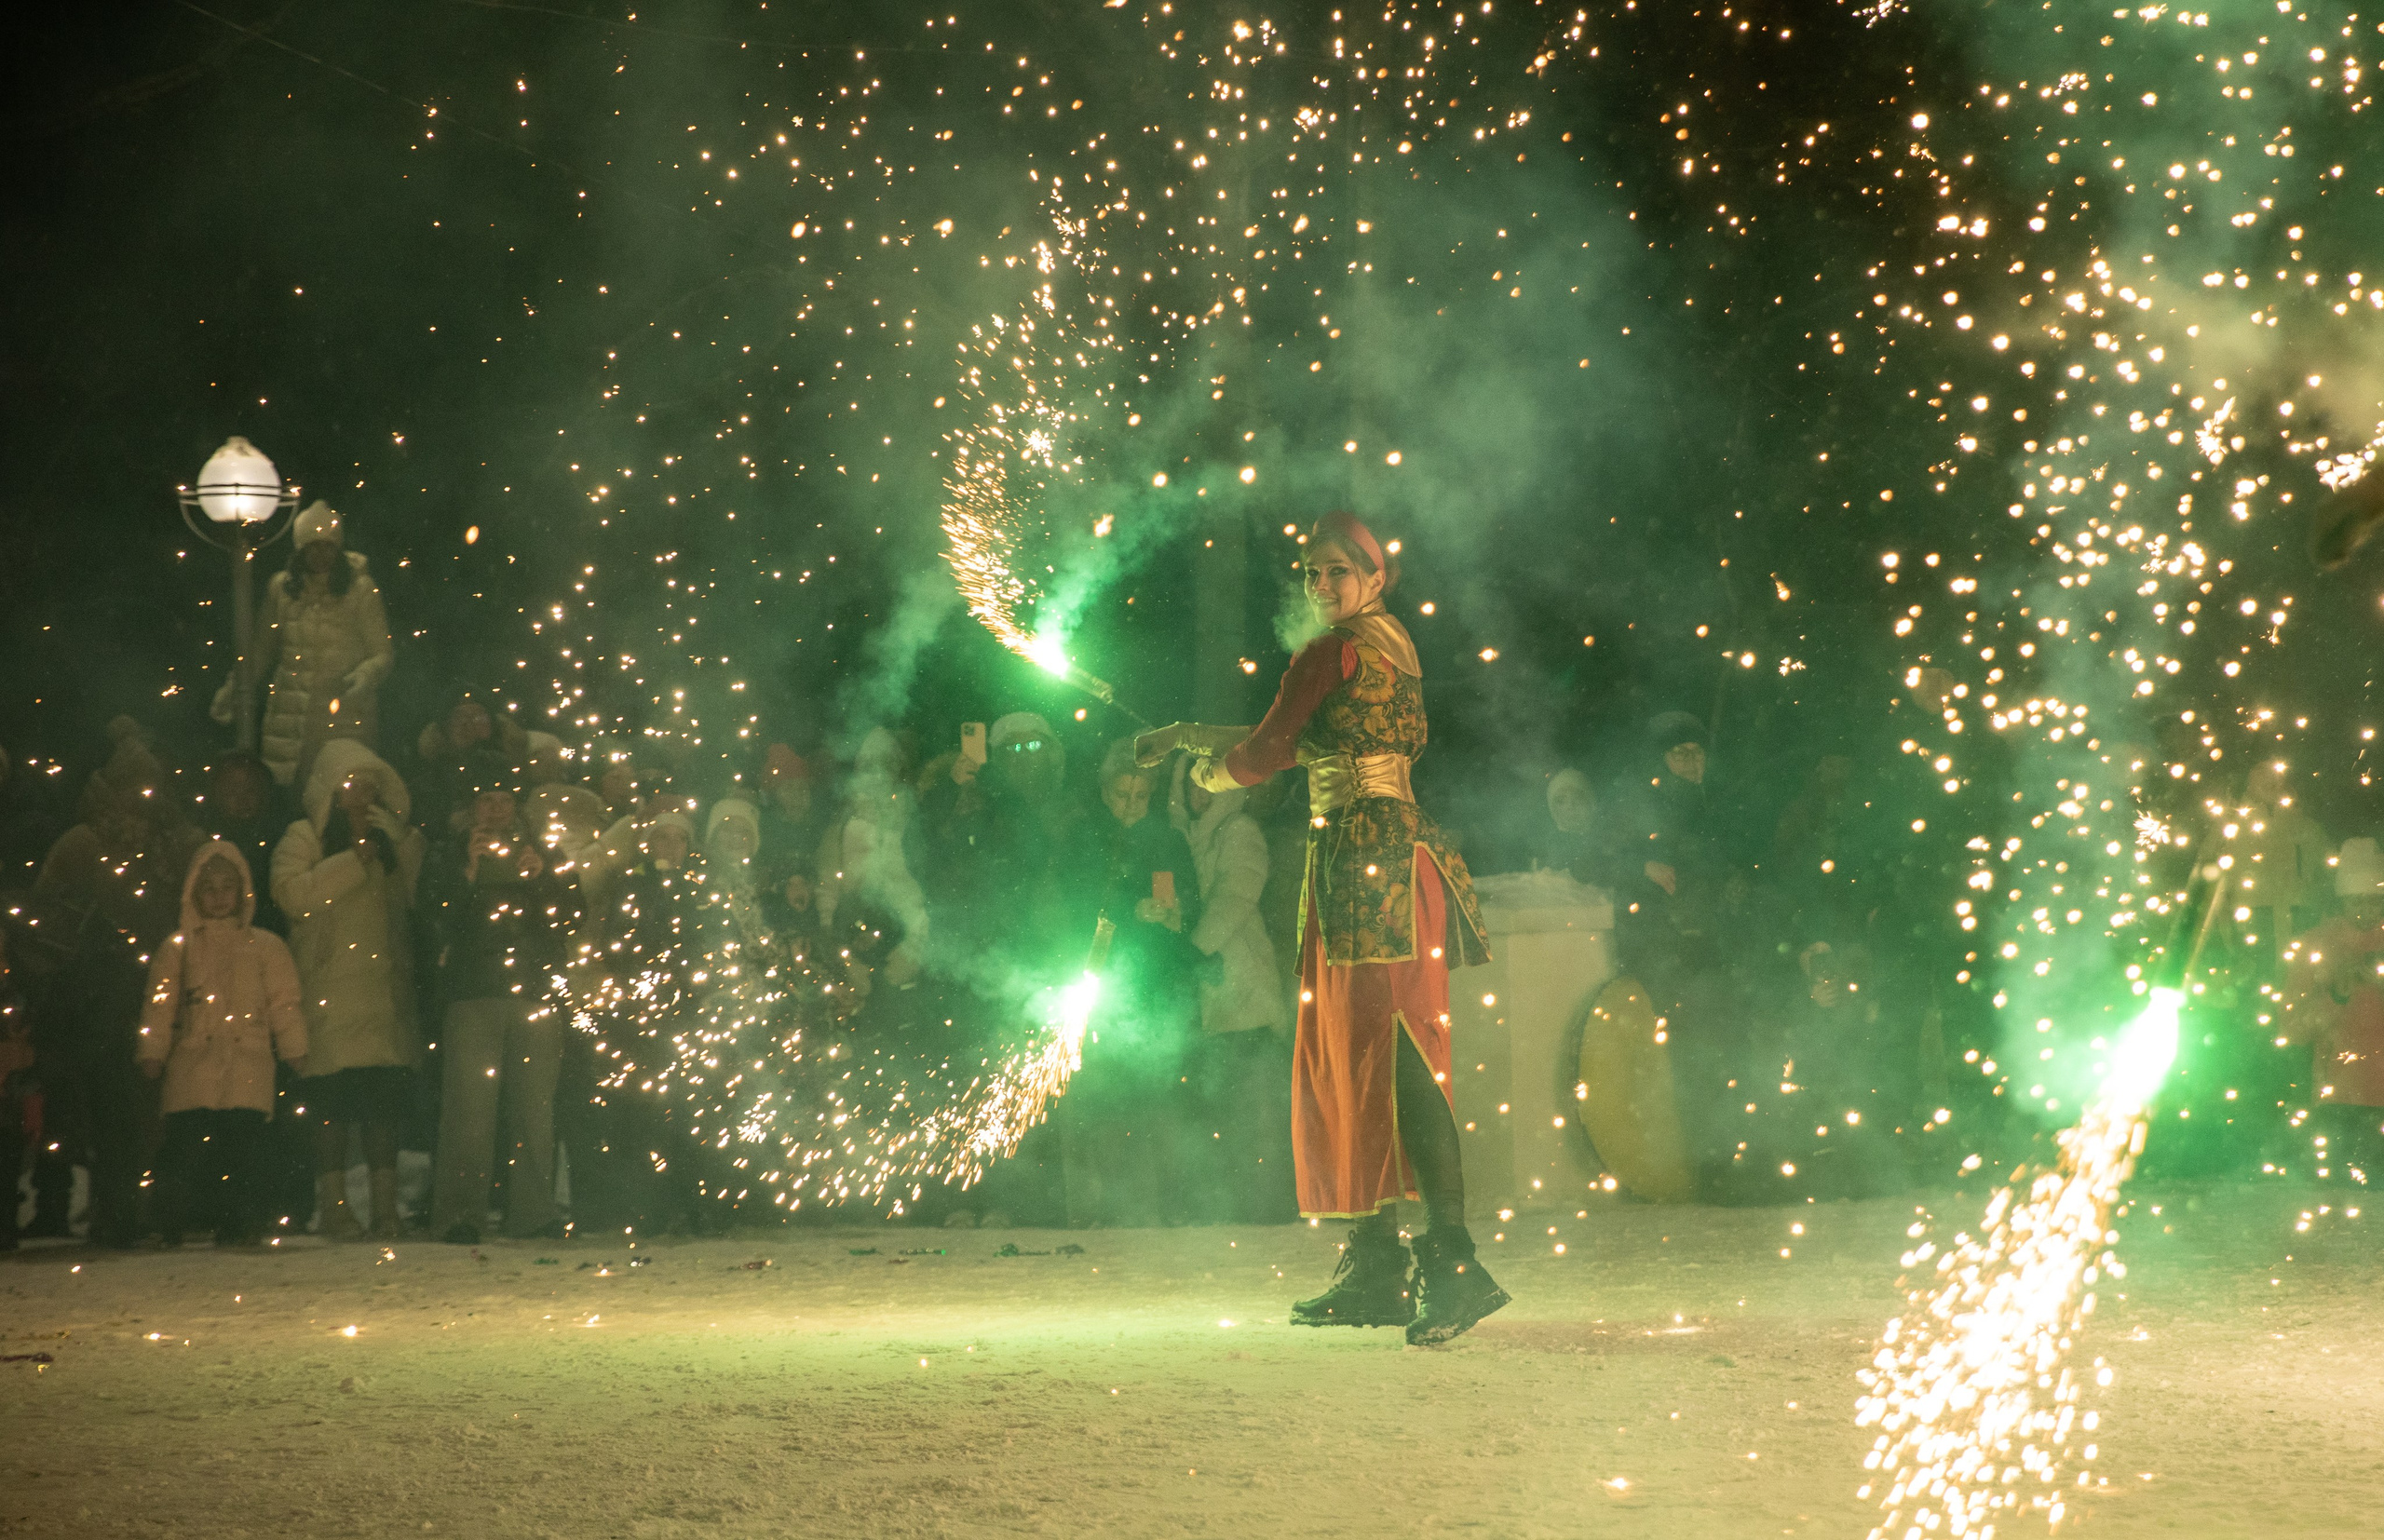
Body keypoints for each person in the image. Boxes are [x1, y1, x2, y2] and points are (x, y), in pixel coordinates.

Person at [1137, 510, 1499, 1345]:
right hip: (1388, 862)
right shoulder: (1386, 643)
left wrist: (1206, 771)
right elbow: (1303, 740)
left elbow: (1267, 753)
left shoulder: (1328, 650)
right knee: (1356, 1053)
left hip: (1368, 869)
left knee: (1394, 1053)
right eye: (1310, 572)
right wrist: (1190, 734)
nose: (1322, 585)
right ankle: (1375, 1262)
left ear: (1375, 578)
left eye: (1338, 570)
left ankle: (1452, 1264)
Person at [24, 722, 201, 1245]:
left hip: (159, 987)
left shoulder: (180, 845)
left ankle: (142, 1206)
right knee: (97, 1102)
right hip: (93, 994)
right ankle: (96, 1206)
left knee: (147, 1104)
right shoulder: (82, 843)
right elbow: (42, 915)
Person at [272, 741, 423, 1240]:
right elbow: (293, 896)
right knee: (329, 1109)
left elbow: (419, 898)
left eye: (372, 785)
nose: (364, 795)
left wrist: (396, 845)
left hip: (383, 1000)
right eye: (354, 785)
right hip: (328, 998)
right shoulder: (304, 838)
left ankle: (385, 1209)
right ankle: (334, 1208)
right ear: (333, 792)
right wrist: (354, 860)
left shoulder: (394, 840)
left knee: (383, 1109)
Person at [423, 775, 578, 1243]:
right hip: (473, 994)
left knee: (535, 1109)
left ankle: (533, 1212)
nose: (494, 810)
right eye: (484, 800)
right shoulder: (447, 853)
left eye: (503, 800)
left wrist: (543, 880)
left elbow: (573, 915)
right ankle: (460, 1216)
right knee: (469, 1110)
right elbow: (430, 917)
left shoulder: (546, 853)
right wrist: (466, 875)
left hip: (534, 995)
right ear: (471, 808)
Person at [135, 842, 307, 1246]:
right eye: (208, 886)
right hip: (192, 1063)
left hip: (247, 1064)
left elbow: (284, 1000)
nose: (218, 896)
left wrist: (294, 1046)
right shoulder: (178, 948)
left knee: (243, 1149)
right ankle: (174, 1219)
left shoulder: (265, 947)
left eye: (227, 886)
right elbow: (160, 1004)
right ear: (194, 892)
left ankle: (239, 1221)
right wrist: (153, 1051)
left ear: (243, 891)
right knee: (186, 1146)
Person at [1170, 750, 1295, 1222]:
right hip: (1207, 988)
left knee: (1253, 1099)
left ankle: (1268, 1202)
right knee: (1218, 1100)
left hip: (1240, 984)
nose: (1200, 795)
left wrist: (1196, 947)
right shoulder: (1183, 834)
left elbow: (1238, 892)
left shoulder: (1238, 832)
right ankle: (1229, 1202)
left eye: (1210, 786)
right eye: (1193, 786)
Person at [214, 501, 395, 791]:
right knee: (286, 796)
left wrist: (366, 675)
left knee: (338, 796)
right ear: (301, 549)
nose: (320, 554)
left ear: (338, 548)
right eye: (313, 546)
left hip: (342, 715)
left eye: (327, 546)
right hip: (287, 717)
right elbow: (261, 650)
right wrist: (234, 688)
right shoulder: (282, 589)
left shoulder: (361, 590)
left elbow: (382, 653)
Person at [2282, 837, 2384, 1181]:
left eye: (2375, 901)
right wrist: (2337, 992)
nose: (2367, 911)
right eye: (2356, 901)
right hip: (2337, 1101)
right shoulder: (2316, 945)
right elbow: (2292, 1030)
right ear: (2340, 900)